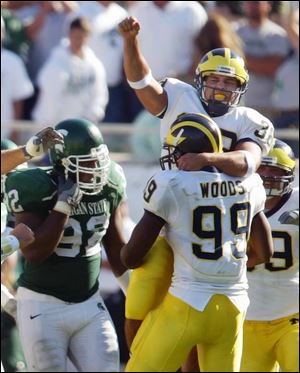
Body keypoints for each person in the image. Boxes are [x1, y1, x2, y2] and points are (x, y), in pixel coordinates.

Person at [118, 16, 274, 353]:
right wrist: (131, 42)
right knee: (141, 291)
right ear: (199, 80)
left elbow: (248, 162)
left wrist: (207, 159)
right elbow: (140, 82)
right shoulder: (178, 96)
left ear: (240, 89)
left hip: (213, 224)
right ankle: (139, 356)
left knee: (201, 314)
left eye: (228, 82)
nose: (219, 88)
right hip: (170, 214)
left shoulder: (250, 122)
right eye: (214, 79)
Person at [121, 113, 273, 372]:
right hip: (234, 305)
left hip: (187, 302)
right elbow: (265, 252)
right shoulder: (249, 183)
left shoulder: (172, 184)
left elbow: (131, 258)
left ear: (183, 154)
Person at [3, 118, 130, 372]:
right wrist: (62, 207)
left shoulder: (110, 182)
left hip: (89, 301)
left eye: (99, 160)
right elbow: (36, 253)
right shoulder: (36, 187)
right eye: (88, 163)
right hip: (43, 306)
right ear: (64, 164)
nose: (97, 169)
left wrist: (135, 293)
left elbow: (116, 248)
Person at [241, 139, 299, 372]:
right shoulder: (230, 199)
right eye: (261, 167)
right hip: (247, 316)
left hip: (292, 314)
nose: (266, 175)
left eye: (275, 170)